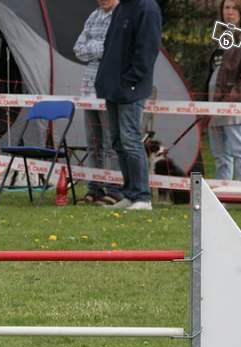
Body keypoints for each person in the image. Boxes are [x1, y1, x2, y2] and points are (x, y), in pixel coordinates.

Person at [94, 0, 162, 210]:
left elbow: (148, 50)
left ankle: (143, 196)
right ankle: (130, 193)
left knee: (131, 140)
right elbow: (109, 46)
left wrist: (131, 79)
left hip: (130, 89)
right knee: (118, 142)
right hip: (112, 88)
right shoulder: (121, 8)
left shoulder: (147, 8)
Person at [206, 0, 241, 182]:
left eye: (233, 8)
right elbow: (214, 71)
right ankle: (224, 195)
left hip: (234, 105)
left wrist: (229, 101)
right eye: (226, 7)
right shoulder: (222, 37)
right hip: (213, 103)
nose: (229, 12)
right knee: (220, 155)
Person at [73, 0, 121, 205]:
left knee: (111, 144)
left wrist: (93, 48)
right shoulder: (93, 16)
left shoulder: (121, 15)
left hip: (108, 88)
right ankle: (94, 188)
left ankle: (114, 188)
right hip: (87, 90)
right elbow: (78, 49)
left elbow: (115, 48)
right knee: (93, 144)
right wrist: (99, 48)